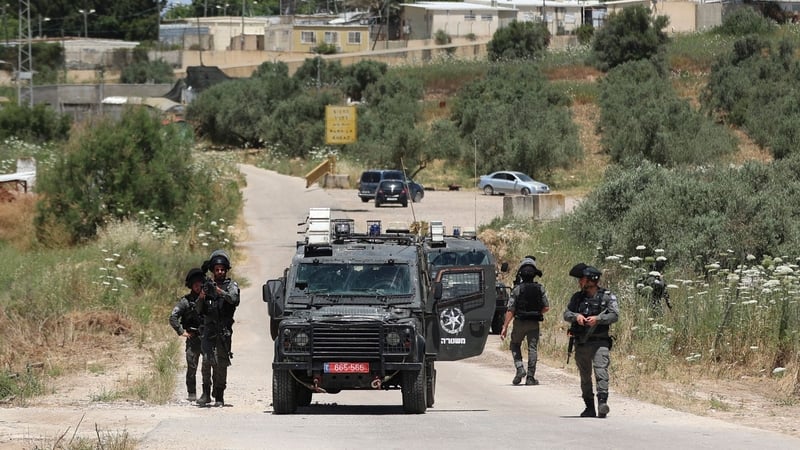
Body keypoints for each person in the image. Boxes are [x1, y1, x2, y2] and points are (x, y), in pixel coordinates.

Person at [564, 263, 619, 418]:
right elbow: (566, 314)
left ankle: (602, 404)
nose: (579, 282)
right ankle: (589, 407)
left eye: (582, 279)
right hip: (581, 342)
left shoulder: (607, 297)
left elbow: (614, 315)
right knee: (585, 376)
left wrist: (598, 319)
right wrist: (577, 316)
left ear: (591, 280)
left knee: (601, 372)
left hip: (600, 341)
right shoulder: (577, 298)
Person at [196, 249, 240, 407]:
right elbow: (198, 309)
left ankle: (219, 394)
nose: (220, 272)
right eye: (217, 269)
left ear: (226, 270)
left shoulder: (231, 286)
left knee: (221, 363)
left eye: (222, 269)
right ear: (213, 271)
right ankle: (206, 393)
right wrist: (202, 296)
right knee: (206, 362)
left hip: (224, 331)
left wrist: (219, 291)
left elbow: (233, 299)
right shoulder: (207, 286)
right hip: (209, 330)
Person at [500, 257, 549, 386]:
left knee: (515, 345)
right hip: (534, 323)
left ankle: (520, 368)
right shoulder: (540, 288)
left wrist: (505, 326)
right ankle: (530, 377)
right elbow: (546, 307)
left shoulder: (517, 289)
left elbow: (511, 309)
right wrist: (536, 313)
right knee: (532, 349)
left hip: (520, 322)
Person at [169, 268, 209, 402]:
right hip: (193, 338)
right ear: (191, 285)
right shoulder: (185, 301)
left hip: (207, 337)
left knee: (208, 366)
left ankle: (207, 393)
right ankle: (192, 393)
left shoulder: (208, 299)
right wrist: (181, 332)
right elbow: (173, 317)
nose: (198, 287)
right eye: (195, 284)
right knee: (192, 367)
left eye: (200, 284)